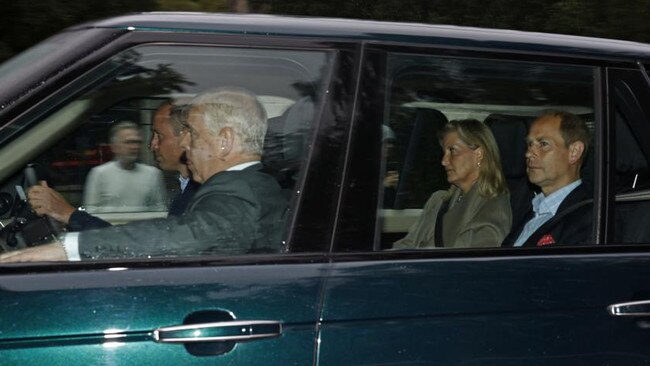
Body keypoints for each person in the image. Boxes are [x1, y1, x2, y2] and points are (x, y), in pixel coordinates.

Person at [0, 87, 288, 262]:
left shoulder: (238, 191)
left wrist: (65, 249)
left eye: (193, 134)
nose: (185, 144)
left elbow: (188, 235)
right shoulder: (251, 184)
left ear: (224, 141)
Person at [28, 101, 200, 231]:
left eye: (159, 136)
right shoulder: (186, 190)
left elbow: (147, 246)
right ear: (115, 146)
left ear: (185, 138)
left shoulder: (199, 196)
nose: (152, 145)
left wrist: (68, 214)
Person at [394, 119, 511, 249]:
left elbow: (478, 264)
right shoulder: (437, 201)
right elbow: (407, 245)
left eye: (453, 151)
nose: (444, 161)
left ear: (478, 154)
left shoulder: (493, 207)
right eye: (444, 153)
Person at [502, 111, 592, 247]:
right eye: (529, 144)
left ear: (574, 152)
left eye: (543, 144)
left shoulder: (588, 217)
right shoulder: (527, 207)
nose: (528, 153)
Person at [83, 121, 167, 213]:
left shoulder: (153, 174)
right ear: (114, 146)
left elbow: (160, 211)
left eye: (137, 142)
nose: (134, 147)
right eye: (128, 142)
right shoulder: (99, 174)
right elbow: (90, 212)